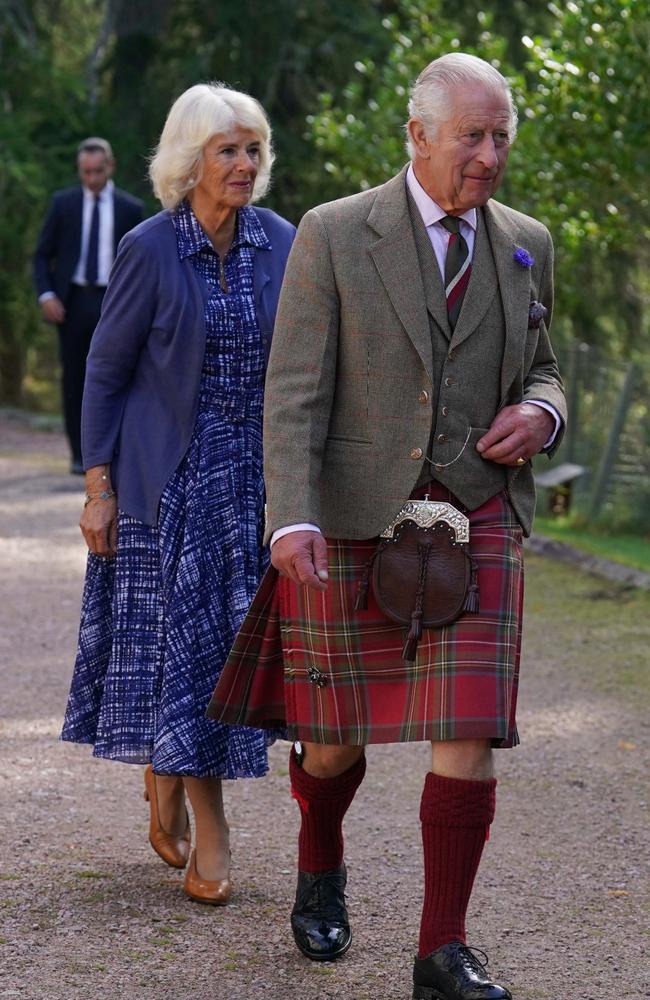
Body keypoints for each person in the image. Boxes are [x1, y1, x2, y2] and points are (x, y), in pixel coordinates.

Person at [208, 54, 566, 996]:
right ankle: (319, 854)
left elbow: (544, 365)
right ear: (418, 135)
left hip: (477, 509)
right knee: (334, 741)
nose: (489, 156)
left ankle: (440, 950)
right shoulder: (333, 233)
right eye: (471, 137)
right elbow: (292, 392)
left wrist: (542, 414)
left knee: (471, 730)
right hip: (353, 517)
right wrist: (290, 519)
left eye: (501, 138)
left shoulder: (526, 240)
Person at [61, 83, 295, 905]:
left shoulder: (282, 243)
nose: (244, 164)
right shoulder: (151, 248)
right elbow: (106, 368)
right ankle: (214, 830)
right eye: (227, 149)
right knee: (196, 658)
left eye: (253, 148)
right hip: (170, 481)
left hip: (254, 490)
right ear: (190, 159)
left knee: (228, 660)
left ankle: (168, 765)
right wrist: (99, 487)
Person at [32, 138, 143, 474]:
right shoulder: (63, 204)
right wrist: (47, 295)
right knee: (75, 378)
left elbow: (142, 262)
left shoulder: (130, 208)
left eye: (97, 171)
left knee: (119, 374)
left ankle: (114, 448)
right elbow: (41, 255)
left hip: (115, 303)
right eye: (85, 172)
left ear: (110, 167)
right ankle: (79, 454)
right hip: (73, 301)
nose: (91, 178)